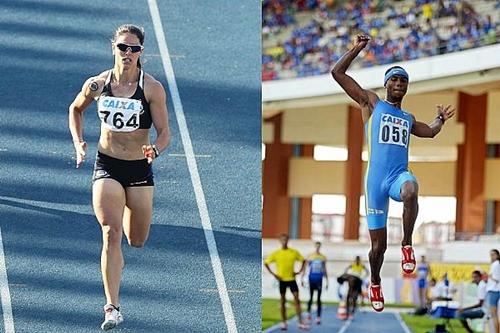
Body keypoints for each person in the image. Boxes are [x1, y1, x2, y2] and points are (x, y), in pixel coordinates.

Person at [331, 34, 455, 312]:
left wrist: (440, 119)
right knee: (378, 249)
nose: (399, 84)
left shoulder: (407, 118)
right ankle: (374, 281)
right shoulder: (372, 104)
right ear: (387, 84)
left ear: (406, 88)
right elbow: (337, 73)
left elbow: (431, 132)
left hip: (399, 176)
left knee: (412, 189)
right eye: (394, 80)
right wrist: (357, 49)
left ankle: (408, 244)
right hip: (375, 182)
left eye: (403, 82)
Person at [68, 24, 170, 330]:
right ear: (113, 48)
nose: (127, 54)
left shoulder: (151, 88)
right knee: (110, 233)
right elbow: (76, 109)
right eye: (123, 47)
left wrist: (155, 149)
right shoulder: (97, 85)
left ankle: (126, 218)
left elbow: (165, 132)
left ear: (141, 53)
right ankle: (112, 307)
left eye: (134, 49)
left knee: (136, 239)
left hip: (139, 169)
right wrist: (78, 141)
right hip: (107, 165)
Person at [264, 234, 310, 331]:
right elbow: (266, 263)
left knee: (297, 300)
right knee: (282, 301)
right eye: (282, 240)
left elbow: (304, 260)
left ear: (288, 240)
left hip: (291, 280)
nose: (284, 241)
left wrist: (299, 271)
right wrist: (274, 274)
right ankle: (283, 322)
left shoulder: (293, 252)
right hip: (282, 281)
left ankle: (300, 322)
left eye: (286, 240)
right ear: (280, 241)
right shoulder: (276, 253)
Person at [301, 241, 328, 325]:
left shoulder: (323, 257)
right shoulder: (310, 256)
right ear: (314, 246)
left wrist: (327, 281)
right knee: (311, 297)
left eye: (319, 246)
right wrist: (302, 278)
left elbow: (325, 269)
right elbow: (305, 268)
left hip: (319, 279)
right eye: (316, 246)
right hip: (311, 278)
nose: (317, 248)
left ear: (320, 247)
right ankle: (308, 314)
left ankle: (318, 317)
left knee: (319, 298)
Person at [486, 249, 500, 333]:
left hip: (494, 291)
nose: (491, 256)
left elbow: (497, 278)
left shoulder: (496, 264)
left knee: (494, 315)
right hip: (494, 290)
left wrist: (489, 276)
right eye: (490, 255)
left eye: (493, 254)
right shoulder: (496, 264)